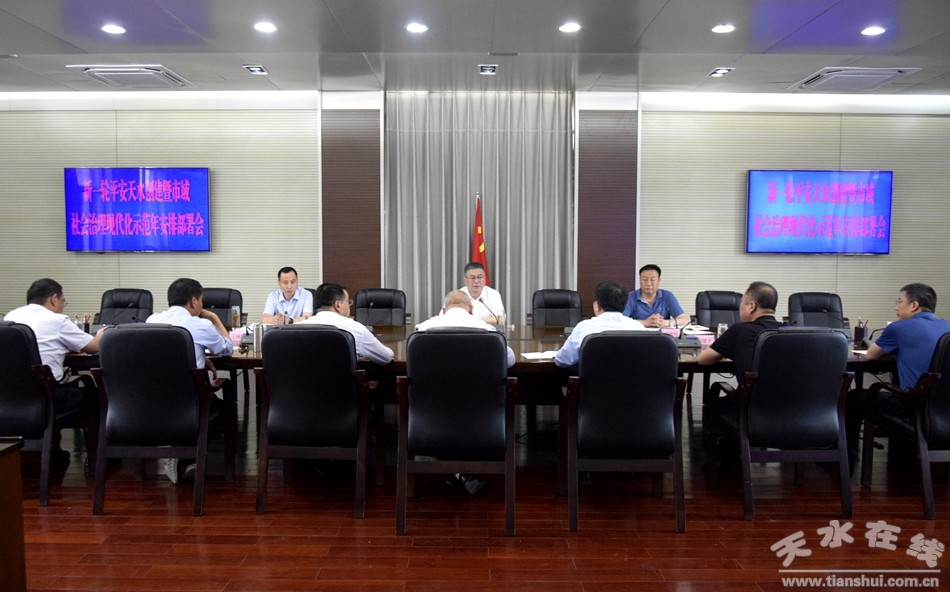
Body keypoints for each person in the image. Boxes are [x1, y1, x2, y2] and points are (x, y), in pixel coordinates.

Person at [416, 290, 516, 495]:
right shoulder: (488, 330)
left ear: (443, 310)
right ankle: (463, 470)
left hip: (432, 415)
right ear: (471, 309)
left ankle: (455, 470)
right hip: (481, 415)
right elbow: (509, 360)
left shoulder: (422, 329)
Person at [845, 283, 950, 471]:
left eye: (899, 302)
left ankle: (844, 460)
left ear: (914, 305)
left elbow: (871, 355)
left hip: (913, 407)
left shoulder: (899, 327)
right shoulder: (948, 328)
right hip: (943, 409)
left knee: (854, 398)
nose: (896, 307)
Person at [4, 278, 106, 470]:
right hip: (47, 400)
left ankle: (54, 452)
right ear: (53, 299)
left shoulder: (10, 318)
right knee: (93, 395)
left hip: (10, 400)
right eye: (63, 301)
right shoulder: (57, 321)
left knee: (52, 382)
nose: (62, 306)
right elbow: (93, 347)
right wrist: (101, 334)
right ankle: (96, 462)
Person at [147, 278, 235, 483]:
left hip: (151, 402)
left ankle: (181, 456)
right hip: (190, 405)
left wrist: (200, 357)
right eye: (202, 301)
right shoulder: (201, 324)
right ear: (194, 301)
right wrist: (214, 318)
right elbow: (227, 349)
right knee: (221, 407)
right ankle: (187, 457)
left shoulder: (151, 321)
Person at [697, 281, 781, 377]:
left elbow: (703, 359)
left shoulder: (740, 330)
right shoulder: (789, 331)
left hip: (752, 387)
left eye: (742, 302)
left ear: (752, 306)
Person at [554, 281, 647, 368]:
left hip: (592, 380)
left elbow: (562, 360)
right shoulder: (638, 328)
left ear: (597, 305)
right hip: (631, 380)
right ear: (625, 305)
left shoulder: (584, 328)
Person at [299, 282, 394, 365]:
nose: (349, 305)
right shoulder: (356, 329)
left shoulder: (297, 329)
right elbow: (386, 357)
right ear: (338, 305)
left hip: (302, 381)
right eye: (348, 302)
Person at [623, 264, 689, 329]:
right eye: (645, 279)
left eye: (652, 280)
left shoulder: (667, 296)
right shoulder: (630, 297)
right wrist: (645, 322)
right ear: (640, 280)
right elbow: (621, 321)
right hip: (637, 335)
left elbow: (684, 320)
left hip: (662, 335)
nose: (648, 283)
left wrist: (665, 323)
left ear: (659, 280)